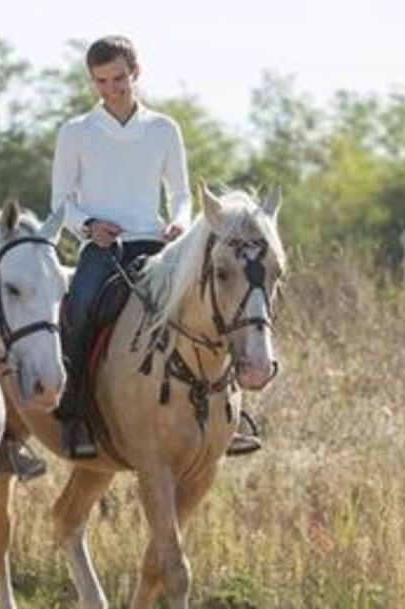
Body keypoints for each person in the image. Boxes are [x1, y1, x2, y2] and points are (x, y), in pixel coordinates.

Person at [51, 36, 261, 459]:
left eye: (119, 78)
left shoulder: (163, 129)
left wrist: (181, 221)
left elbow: (181, 194)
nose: (112, 88)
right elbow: (60, 204)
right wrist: (89, 225)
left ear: (136, 72)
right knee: (81, 308)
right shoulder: (76, 132)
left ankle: (230, 413)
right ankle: (76, 415)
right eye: (102, 81)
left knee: (209, 308)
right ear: (92, 82)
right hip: (102, 248)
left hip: (155, 244)